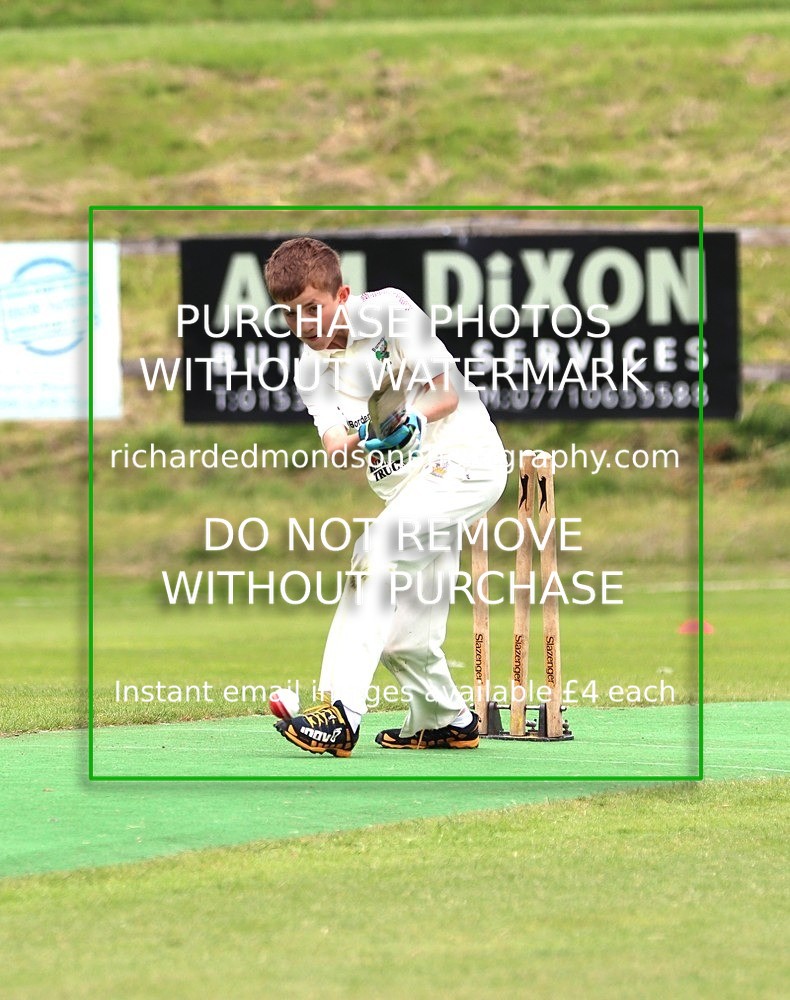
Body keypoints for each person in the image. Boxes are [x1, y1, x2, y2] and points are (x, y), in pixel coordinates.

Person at [263, 236, 507, 756]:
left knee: (374, 556)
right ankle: (445, 719)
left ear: (342, 295)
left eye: (313, 308)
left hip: (464, 459)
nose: (303, 324)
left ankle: (338, 712)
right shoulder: (312, 372)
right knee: (404, 637)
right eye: (289, 315)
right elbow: (335, 442)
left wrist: (413, 417)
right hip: (412, 486)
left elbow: (444, 392)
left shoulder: (391, 311)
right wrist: (367, 437)